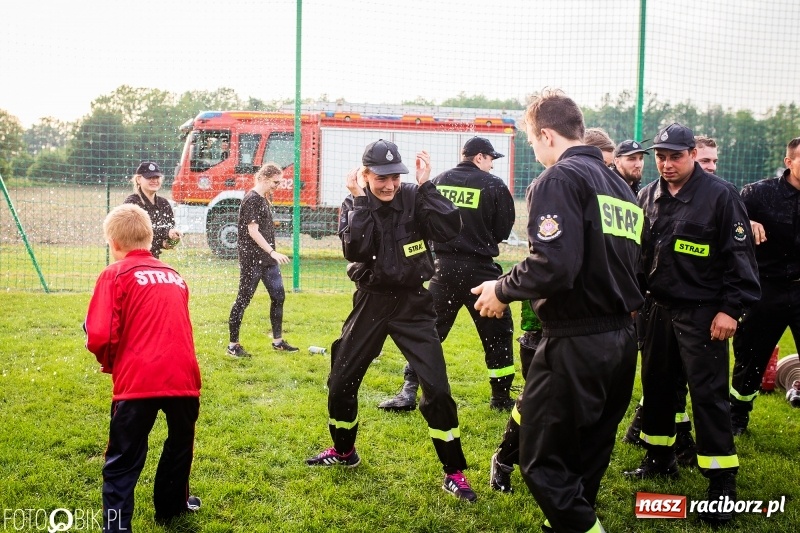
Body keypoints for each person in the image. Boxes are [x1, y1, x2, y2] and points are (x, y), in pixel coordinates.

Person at [472, 89, 643, 533]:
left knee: (542, 462)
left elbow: (555, 264)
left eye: (531, 141)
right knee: (588, 456)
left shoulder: (559, 180)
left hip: (576, 340)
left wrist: (502, 289)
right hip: (621, 341)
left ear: (546, 134)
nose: (534, 149)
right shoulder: (620, 188)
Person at [305, 139, 477, 502]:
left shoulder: (416, 196)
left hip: (413, 304)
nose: (389, 184)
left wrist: (428, 185)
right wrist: (363, 201)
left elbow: (450, 229)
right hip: (371, 302)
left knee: (437, 387)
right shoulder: (354, 202)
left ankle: (454, 472)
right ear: (364, 175)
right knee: (341, 379)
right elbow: (357, 249)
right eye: (380, 178)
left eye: (395, 177)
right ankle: (344, 452)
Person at [623, 123, 760, 526]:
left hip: (704, 313)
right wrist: (634, 300)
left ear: (691, 153)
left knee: (708, 395)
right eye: (661, 157)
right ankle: (659, 458)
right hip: (656, 309)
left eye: (675, 156)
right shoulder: (647, 195)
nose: (666, 164)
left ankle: (721, 484)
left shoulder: (721, 197)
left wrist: (730, 311)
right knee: (658, 388)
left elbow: (741, 260)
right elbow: (638, 254)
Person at [84, 204, 202, 532]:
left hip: (139, 381)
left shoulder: (114, 274)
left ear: (113, 244)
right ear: (150, 239)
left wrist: (109, 363)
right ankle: (172, 507)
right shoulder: (174, 275)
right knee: (180, 445)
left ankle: (117, 525)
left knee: (123, 457)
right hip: (184, 380)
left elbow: (99, 334)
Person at [377, 136, 516, 412]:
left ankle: (408, 391)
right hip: (481, 271)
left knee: (428, 331)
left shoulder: (438, 180)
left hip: (443, 268)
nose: (491, 165)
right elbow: (502, 231)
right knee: (497, 332)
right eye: (491, 160)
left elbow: (424, 221)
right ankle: (500, 398)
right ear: (479, 157)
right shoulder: (494, 185)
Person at [730, 136, 800, 434]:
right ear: (788, 162)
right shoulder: (759, 193)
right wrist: (747, 221)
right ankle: (736, 419)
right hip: (765, 289)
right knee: (750, 360)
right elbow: (729, 216)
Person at [227, 162, 297, 357]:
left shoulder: (264, 198)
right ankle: (233, 345)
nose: (278, 185)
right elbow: (253, 231)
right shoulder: (252, 199)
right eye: (275, 182)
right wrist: (273, 252)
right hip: (252, 260)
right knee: (243, 299)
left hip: (267, 261)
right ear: (264, 178)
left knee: (278, 296)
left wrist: (271, 255)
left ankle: (278, 341)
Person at [489, 299, 542, 493]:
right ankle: (504, 460)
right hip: (541, 333)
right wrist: (501, 291)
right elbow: (532, 272)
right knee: (534, 401)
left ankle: (551, 463)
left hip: (582, 331)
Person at [124, 161, 182, 259]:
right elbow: (138, 234)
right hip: (133, 259)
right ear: (139, 179)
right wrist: (166, 232)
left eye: (156, 177)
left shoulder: (164, 204)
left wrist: (173, 239)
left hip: (153, 259)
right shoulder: (132, 203)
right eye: (149, 177)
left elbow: (165, 244)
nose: (154, 180)